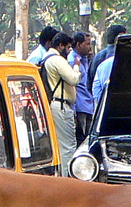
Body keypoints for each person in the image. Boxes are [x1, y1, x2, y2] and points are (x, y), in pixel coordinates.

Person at [39, 30, 81, 165]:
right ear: (61, 45)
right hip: (62, 106)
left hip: (56, 105)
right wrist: (76, 66)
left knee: (62, 145)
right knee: (68, 147)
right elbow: (74, 79)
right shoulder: (57, 60)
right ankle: (68, 179)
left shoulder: (45, 59)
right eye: (68, 47)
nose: (69, 51)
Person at [70, 31, 95, 142]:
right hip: (80, 106)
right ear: (79, 44)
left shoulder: (85, 59)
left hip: (88, 104)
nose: (89, 48)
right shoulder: (73, 60)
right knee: (82, 139)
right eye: (87, 44)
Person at [91, 25, 125, 107]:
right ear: (120, 37)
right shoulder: (124, 57)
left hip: (101, 109)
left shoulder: (97, 58)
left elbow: (91, 84)